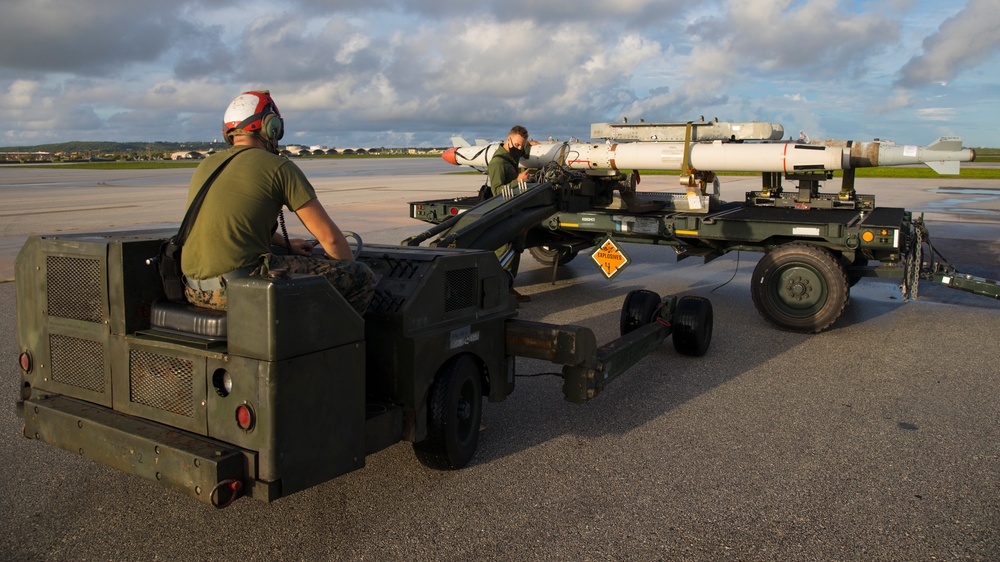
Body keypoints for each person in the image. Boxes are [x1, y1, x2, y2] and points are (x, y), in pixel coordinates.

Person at [180, 90, 375, 315]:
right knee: (361, 276)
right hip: (237, 289)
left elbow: (227, 225)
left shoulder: (206, 165)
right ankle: (335, 345)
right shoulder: (278, 167)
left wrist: (285, 243)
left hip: (195, 289)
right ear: (271, 127)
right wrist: (347, 268)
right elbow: (330, 239)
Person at [486, 125, 538, 303]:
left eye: (521, 145)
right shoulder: (498, 163)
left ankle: (509, 287)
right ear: (508, 140)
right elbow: (497, 192)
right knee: (504, 251)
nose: (519, 149)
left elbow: (525, 151)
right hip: (503, 213)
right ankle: (499, 294)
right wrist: (517, 181)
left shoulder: (514, 152)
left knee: (516, 249)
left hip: (514, 211)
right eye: (516, 145)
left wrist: (530, 144)